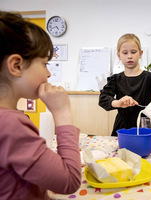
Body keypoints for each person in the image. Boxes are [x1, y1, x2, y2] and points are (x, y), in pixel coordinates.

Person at [0, 11, 81, 199]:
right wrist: (62, 113)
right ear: (17, 65)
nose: (49, 75)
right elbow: (69, 180)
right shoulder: (9, 125)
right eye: (45, 64)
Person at [99, 33, 151, 136]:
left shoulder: (149, 78)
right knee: (121, 152)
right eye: (125, 53)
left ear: (140, 54)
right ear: (119, 55)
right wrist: (117, 103)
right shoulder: (115, 79)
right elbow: (103, 98)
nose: (129, 56)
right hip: (121, 127)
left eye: (133, 52)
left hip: (143, 126)